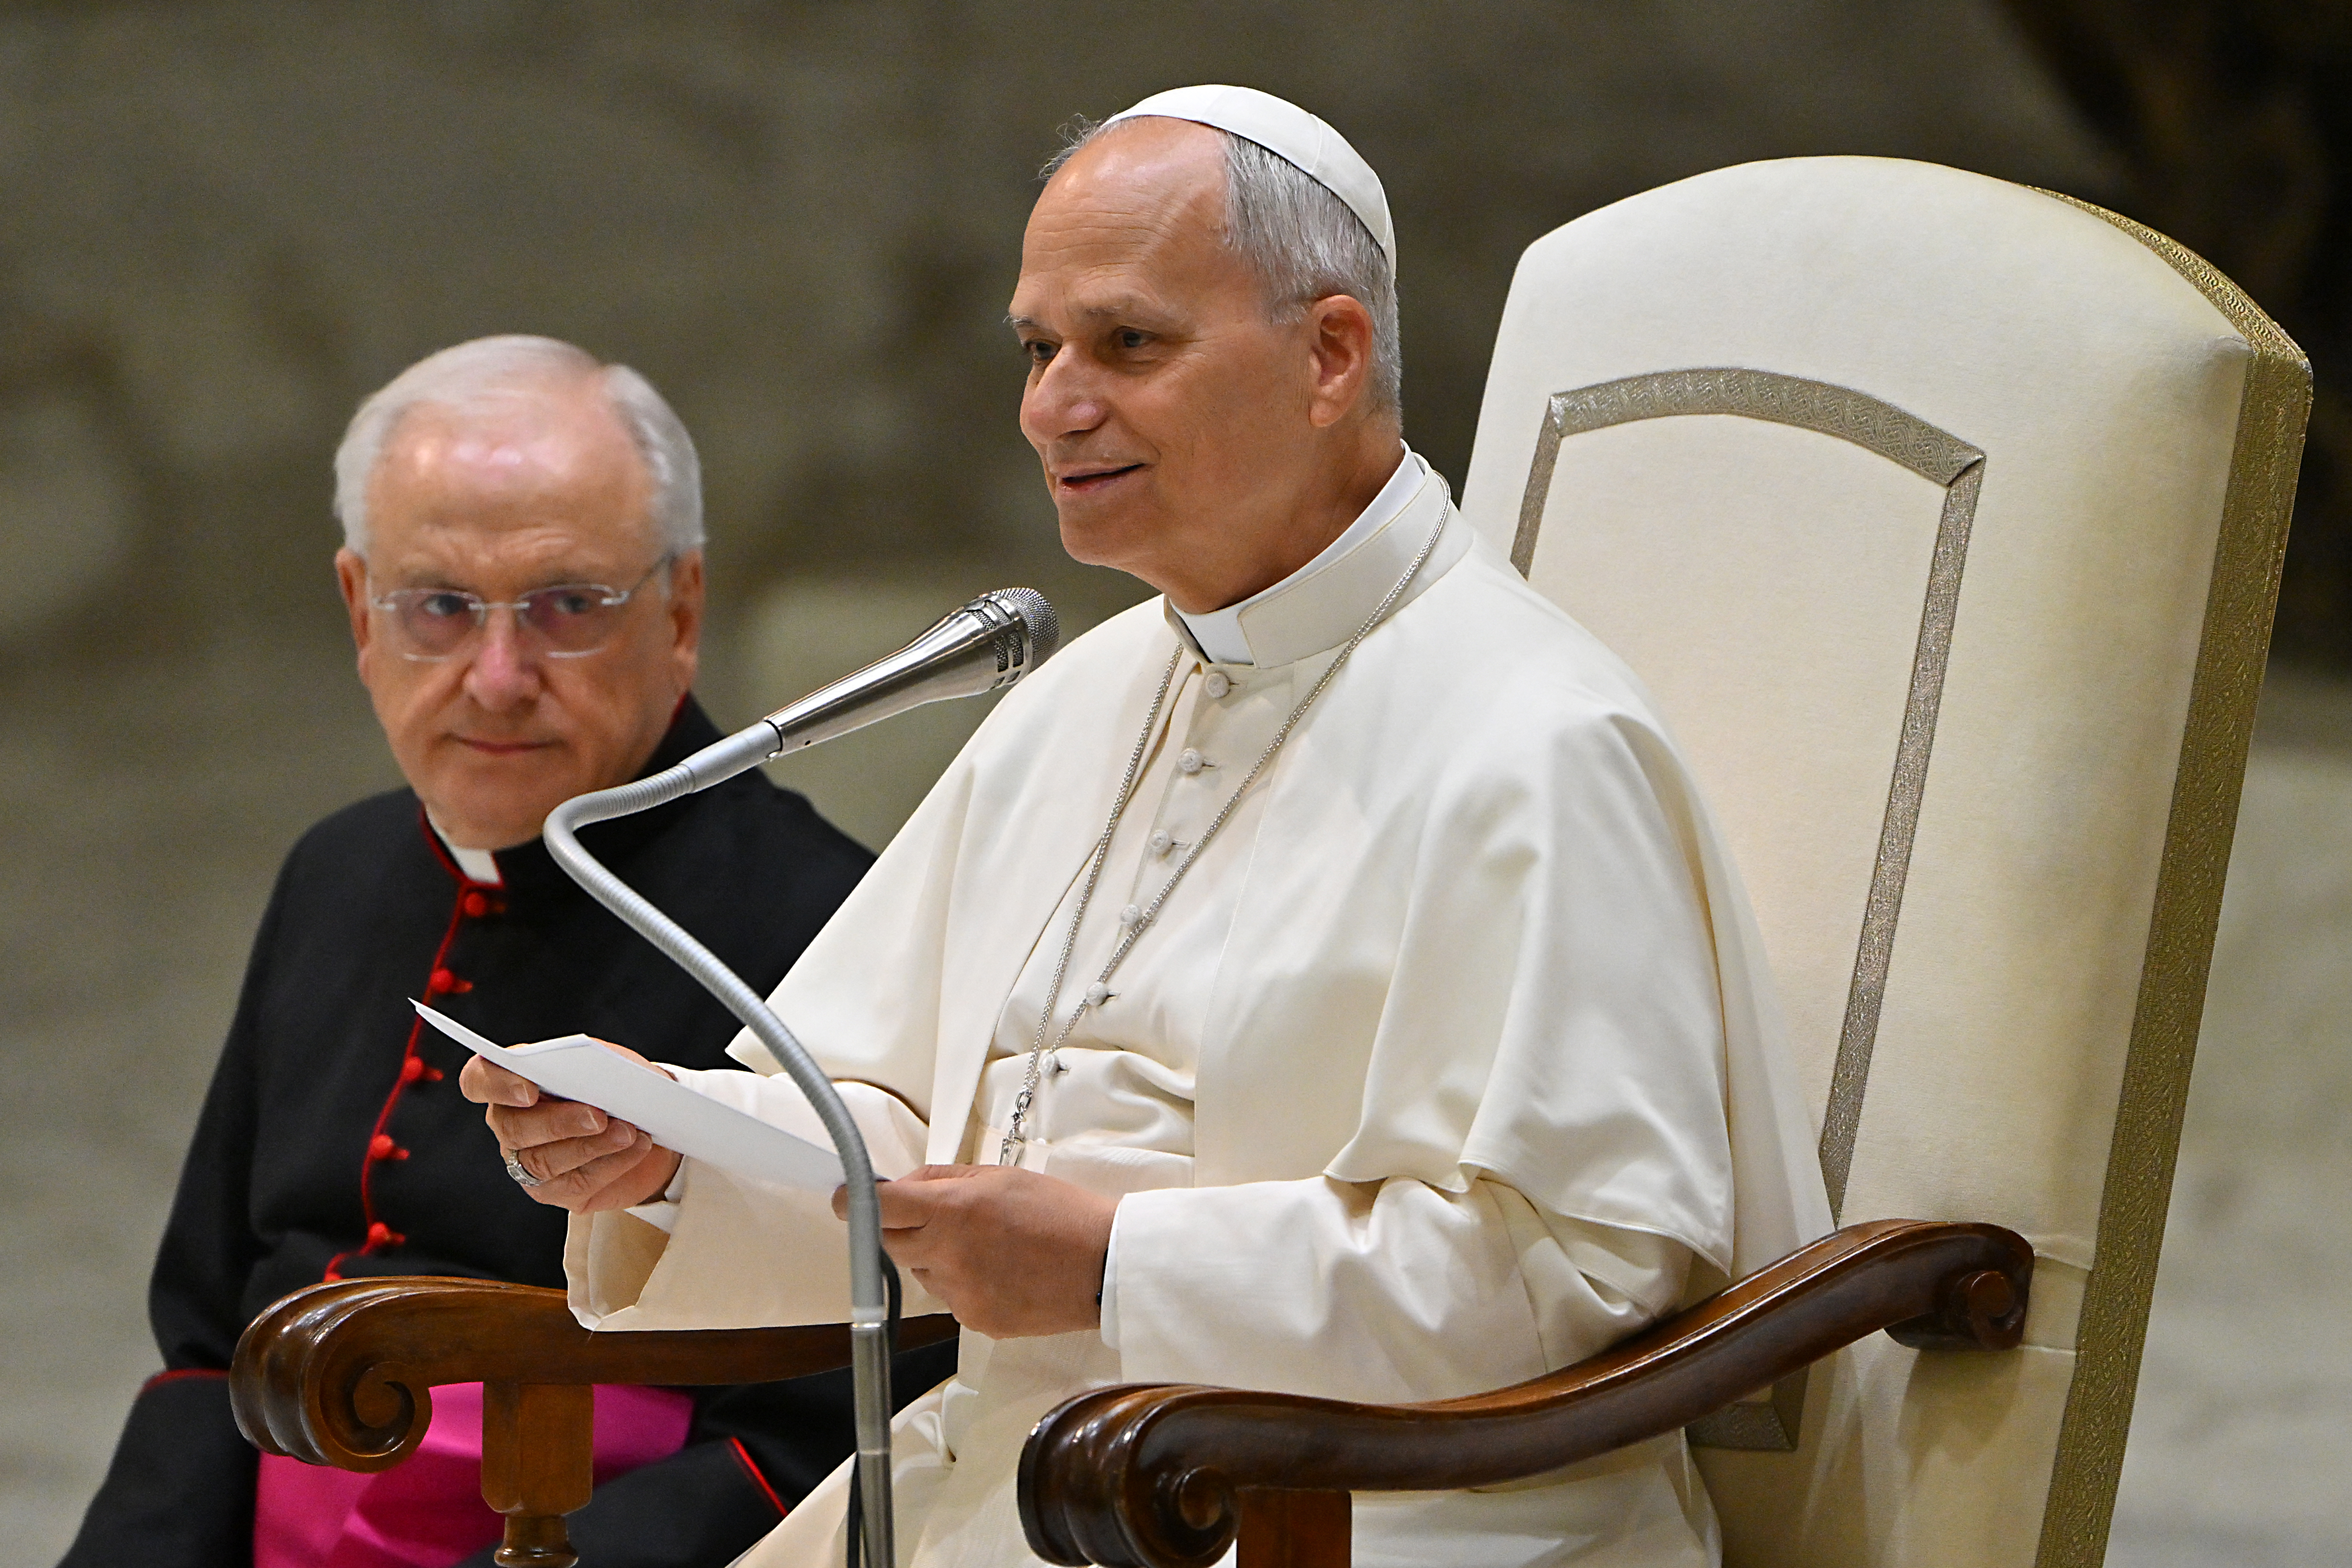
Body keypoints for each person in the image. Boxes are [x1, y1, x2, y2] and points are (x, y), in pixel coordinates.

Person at [473, 88, 1831, 1568]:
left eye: (1126, 343)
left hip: (1385, 1515)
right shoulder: (1092, 691)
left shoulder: (1535, 741)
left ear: (1328, 356)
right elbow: (922, 1150)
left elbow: (1578, 1263)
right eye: (1036, 347)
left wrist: (1117, 1266)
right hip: (1019, 1488)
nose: (1052, 404)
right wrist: (668, 1151)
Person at [61, 336, 956, 1568]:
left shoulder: (834, 920)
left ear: (682, 609)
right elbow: (210, 1340)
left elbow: (820, 1440)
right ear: (356, 613)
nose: (496, 678)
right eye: (437, 607)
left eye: (566, 607)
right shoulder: (342, 871)